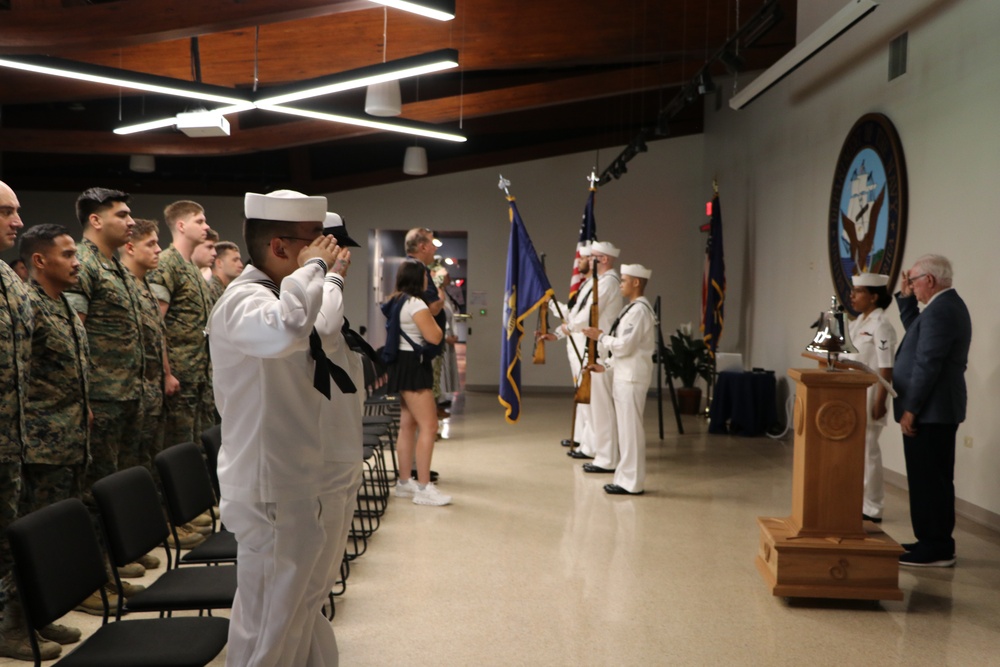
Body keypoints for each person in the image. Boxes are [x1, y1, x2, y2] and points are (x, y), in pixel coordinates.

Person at [209, 189, 356, 666]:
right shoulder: (242, 302)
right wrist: (318, 271)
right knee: (269, 626)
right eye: (315, 242)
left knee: (298, 612)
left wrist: (314, 270)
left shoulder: (278, 292)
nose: (327, 250)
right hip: (268, 484)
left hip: (294, 477)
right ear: (279, 247)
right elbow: (288, 328)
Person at [0, 182, 65, 662]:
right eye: (7, 212)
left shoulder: (9, 280)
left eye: (18, 211)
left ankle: (19, 622)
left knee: (11, 540)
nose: (18, 222)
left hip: (14, 441)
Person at [17, 225, 90, 649]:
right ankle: (13, 624)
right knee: (29, 539)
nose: (76, 260)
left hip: (67, 439)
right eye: (66, 254)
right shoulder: (29, 306)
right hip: (39, 444)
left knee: (51, 541)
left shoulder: (60, 304)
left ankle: (39, 617)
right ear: (40, 261)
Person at [893, 254, 972, 568]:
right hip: (934, 409)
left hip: (931, 410)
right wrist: (904, 298)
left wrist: (912, 407)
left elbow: (928, 363)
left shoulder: (942, 310)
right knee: (928, 478)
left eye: (913, 281)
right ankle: (931, 539)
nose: (911, 286)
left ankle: (936, 545)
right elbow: (916, 332)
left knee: (931, 480)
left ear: (929, 279)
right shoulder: (941, 308)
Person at [583, 263, 656, 495]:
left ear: (636, 283)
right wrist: (605, 366)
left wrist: (601, 337)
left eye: (624, 280)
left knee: (631, 432)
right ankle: (625, 479)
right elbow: (623, 352)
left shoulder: (639, 311)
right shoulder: (631, 309)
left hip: (632, 379)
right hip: (624, 375)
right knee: (625, 431)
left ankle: (632, 482)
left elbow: (625, 346)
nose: (620, 284)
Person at [147, 200, 213, 450]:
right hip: (179, 375)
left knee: (198, 450)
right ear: (181, 225)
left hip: (197, 375)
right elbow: (157, 322)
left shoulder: (193, 269)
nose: (206, 226)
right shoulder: (166, 264)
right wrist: (166, 373)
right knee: (180, 450)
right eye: (200, 221)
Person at [382, 259, 449, 506]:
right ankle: (423, 487)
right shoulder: (415, 303)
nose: (427, 281)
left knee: (408, 424)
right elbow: (434, 336)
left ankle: (404, 483)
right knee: (430, 426)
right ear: (418, 279)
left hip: (401, 363)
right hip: (413, 365)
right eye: (425, 277)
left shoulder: (397, 300)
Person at [561, 241, 623, 472]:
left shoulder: (608, 282)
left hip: (597, 348)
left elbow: (586, 317)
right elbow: (578, 312)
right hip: (586, 344)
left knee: (600, 404)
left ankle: (606, 457)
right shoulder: (595, 282)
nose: (585, 260)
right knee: (588, 401)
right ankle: (591, 445)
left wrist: (569, 326)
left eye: (593, 256)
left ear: (604, 259)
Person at [843, 273, 896, 524]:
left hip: (870, 394)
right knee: (854, 450)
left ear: (874, 296)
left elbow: (886, 366)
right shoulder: (856, 323)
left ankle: (873, 507)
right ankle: (855, 499)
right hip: (850, 394)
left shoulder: (881, 325)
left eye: (859, 291)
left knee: (868, 451)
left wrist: (880, 401)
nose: (852, 296)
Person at [539, 243, 593, 448]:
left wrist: (562, 330)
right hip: (575, 346)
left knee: (587, 396)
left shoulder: (594, 288)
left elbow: (578, 321)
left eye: (582, 258)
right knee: (580, 394)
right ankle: (581, 437)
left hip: (584, 347)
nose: (578, 262)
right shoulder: (584, 288)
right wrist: (550, 303)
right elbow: (570, 315)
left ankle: (589, 443)